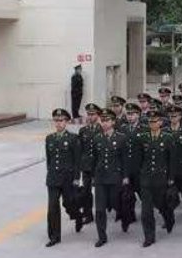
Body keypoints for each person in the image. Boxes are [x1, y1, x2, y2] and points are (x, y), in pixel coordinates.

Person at [134, 110, 175, 247]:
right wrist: (139, 175)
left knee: (162, 205)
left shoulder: (168, 138)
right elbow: (138, 159)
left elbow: (171, 160)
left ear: (161, 122)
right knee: (146, 211)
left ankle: (169, 218)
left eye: (155, 121)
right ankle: (149, 236)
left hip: (161, 178)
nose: (152, 123)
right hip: (146, 179)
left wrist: (171, 178)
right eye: (150, 121)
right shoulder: (143, 137)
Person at [90, 110, 129, 247]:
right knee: (100, 209)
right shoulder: (97, 138)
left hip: (115, 177)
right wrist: (93, 177)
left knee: (116, 204)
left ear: (113, 122)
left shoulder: (121, 138)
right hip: (101, 177)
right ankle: (102, 236)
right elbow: (94, 159)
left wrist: (125, 176)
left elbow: (124, 159)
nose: (105, 123)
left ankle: (125, 219)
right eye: (103, 120)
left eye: (107, 121)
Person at [44, 108, 82, 247]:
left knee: (69, 203)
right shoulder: (49, 139)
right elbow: (49, 160)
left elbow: (77, 161)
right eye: (56, 121)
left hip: (68, 178)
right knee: (52, 207)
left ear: (66, 122)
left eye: (61, 121)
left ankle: (77, 216)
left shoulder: (73, 139)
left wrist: (77, 178)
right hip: (53, 178)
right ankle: (54, 236)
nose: (59, 123)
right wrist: (50, 173)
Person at [77, 103, 102, 232]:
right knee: (86, 191)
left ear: (98, 116)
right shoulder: (83, 131)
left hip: (98, 165)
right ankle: (88, 214)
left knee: (99, 192)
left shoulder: (102, 129)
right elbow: (80, 149)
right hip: (86, 166)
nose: (90, 117)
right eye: (89, 114)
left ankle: (100, 213)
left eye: (93, 114)